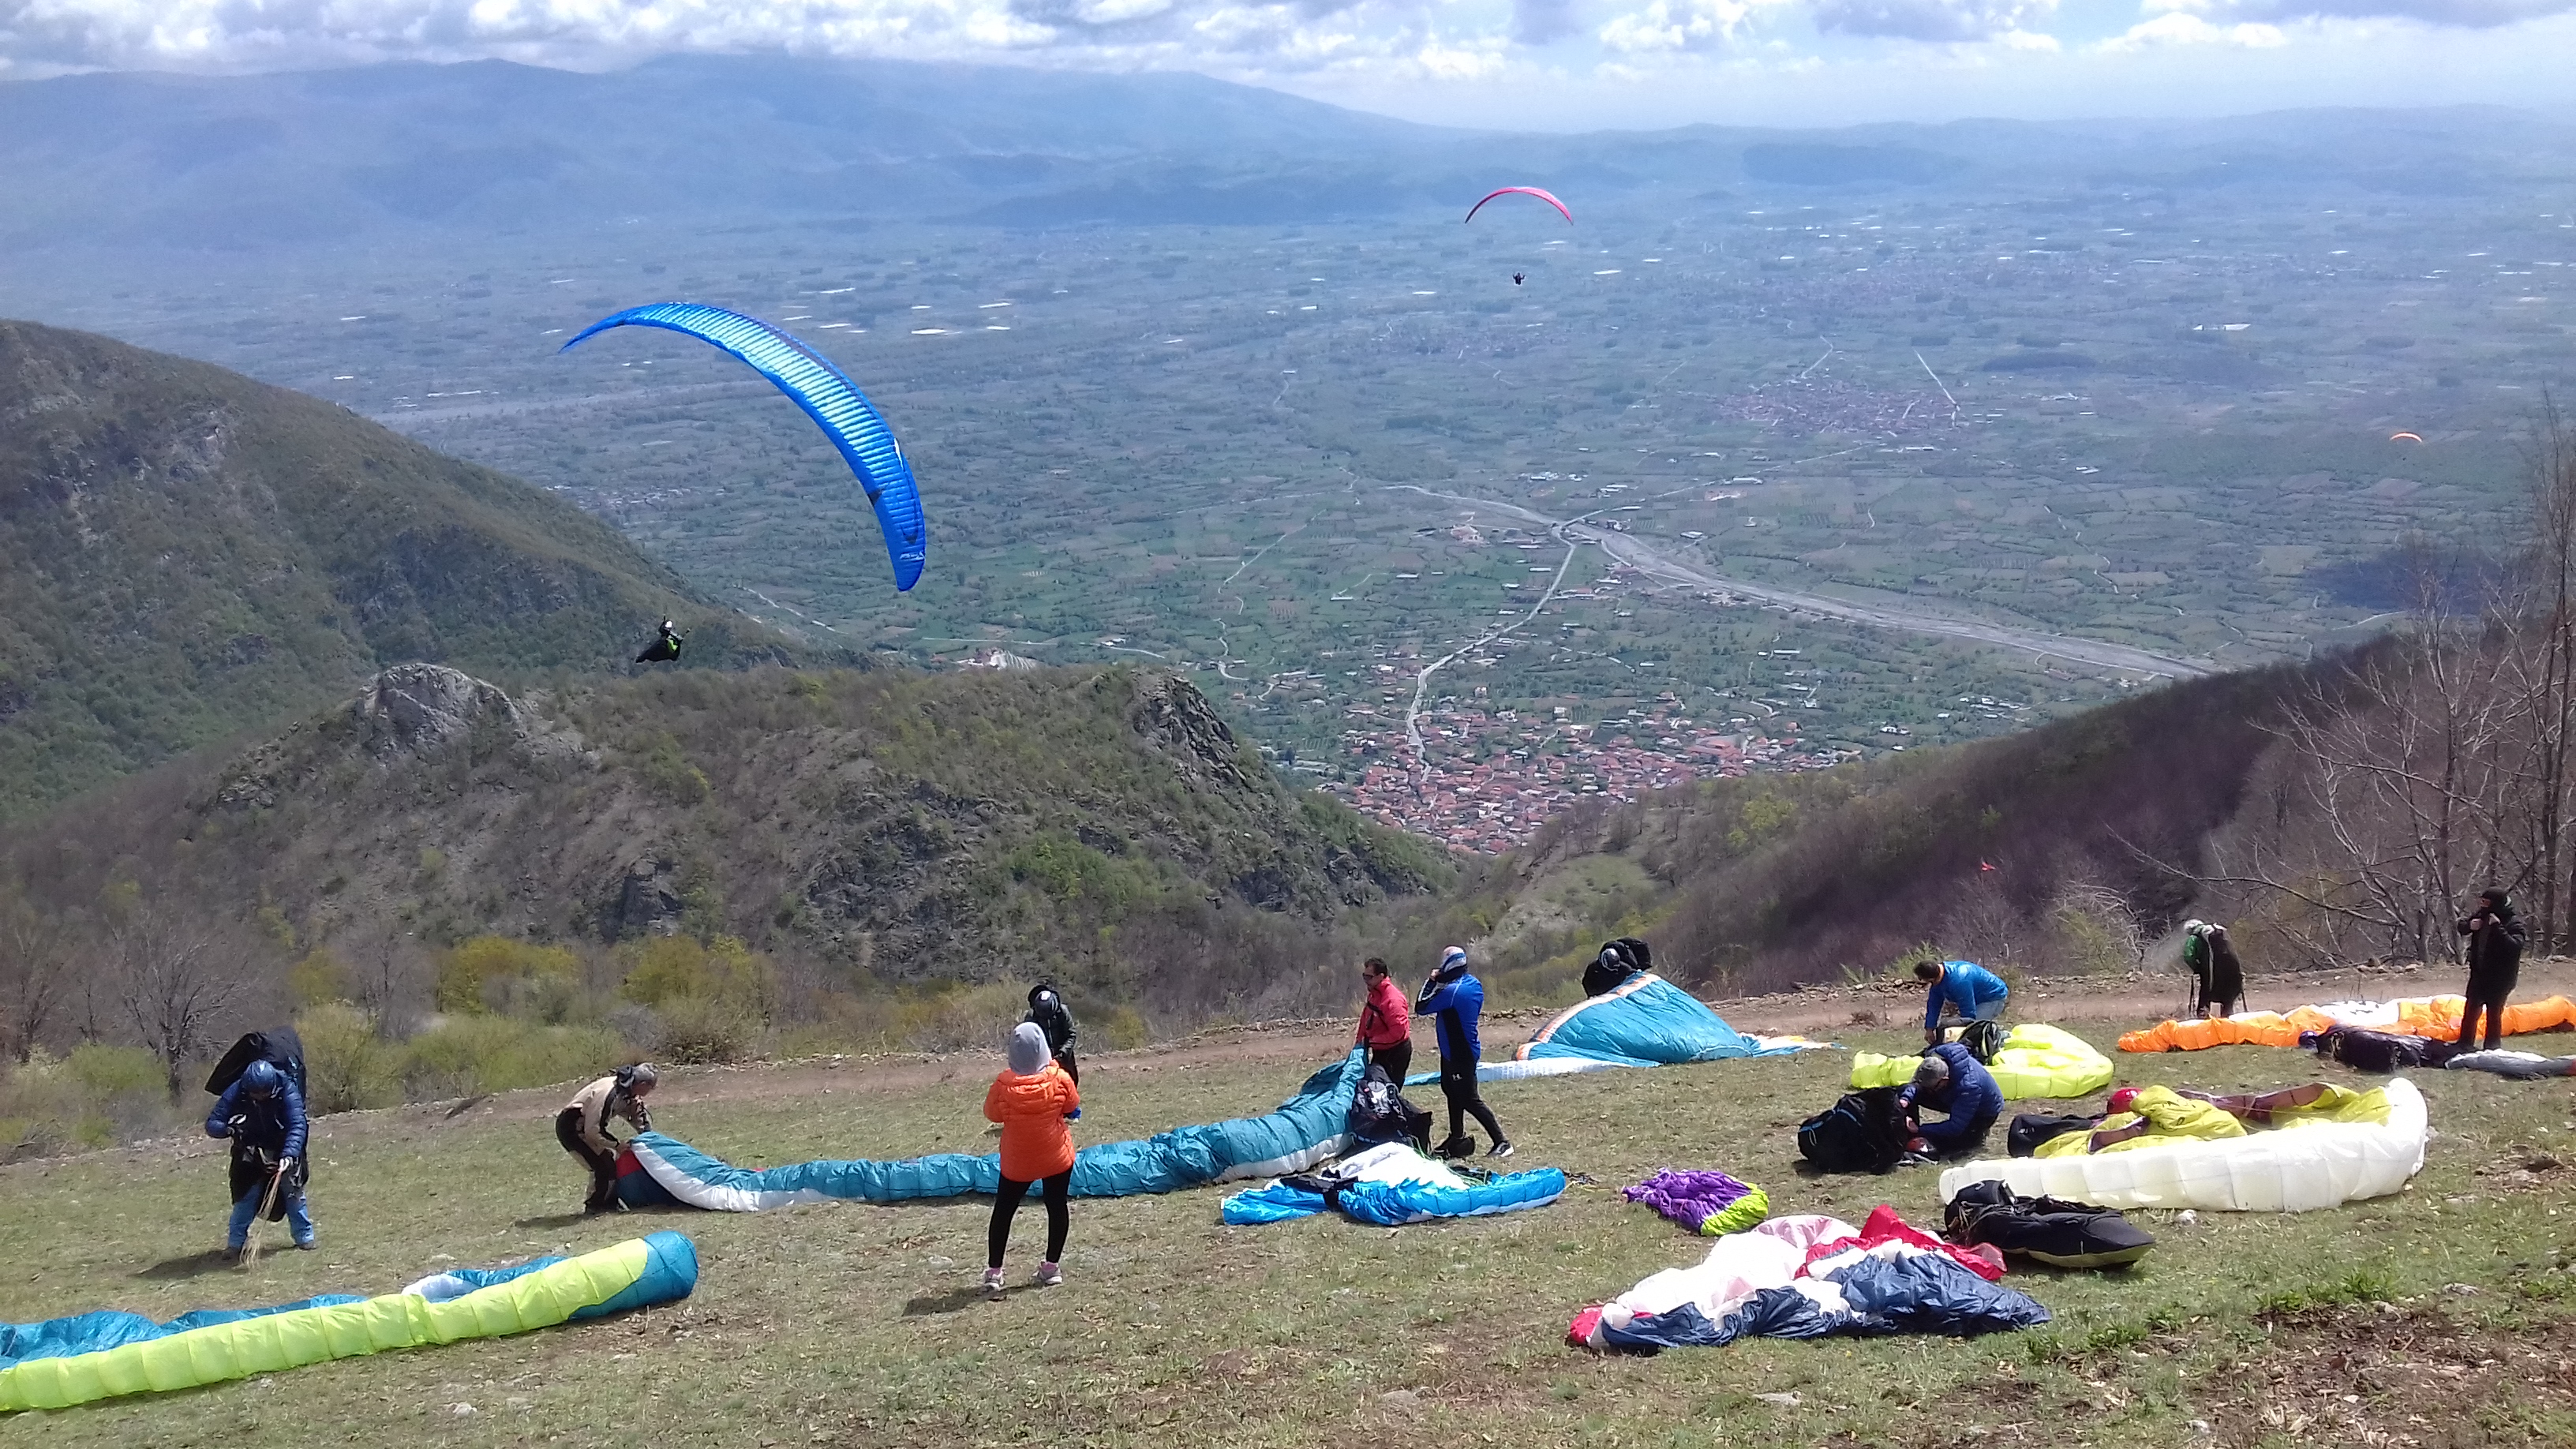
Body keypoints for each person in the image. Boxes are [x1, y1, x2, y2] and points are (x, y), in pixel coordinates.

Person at [984, 1022, 1079, 1296]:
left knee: (1004, 1211)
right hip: (1055, 1155)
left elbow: (992, 1114)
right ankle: (1051, 1268)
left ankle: (994, 1272)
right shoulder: (1059, 1078)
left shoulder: (1003, 1084)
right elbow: (1072, 1105)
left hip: (1018, 1160)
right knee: (1056, 1206)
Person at [204, 1058, 313, 1258]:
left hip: (282, 1148)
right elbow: (213, 1123)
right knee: (245, 1197)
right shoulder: (237, 1090)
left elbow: (297, 1124)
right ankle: (235, 1243)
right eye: (255, 1093)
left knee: (293, 1192)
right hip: (250, 1151)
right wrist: (229, 1129)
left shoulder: (287, 1089)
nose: (260, 1097)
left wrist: (289, 1154)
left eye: (264, 1092)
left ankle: (304, 1237)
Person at [1417, 945, 1511, 1159]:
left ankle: (1502, 1142)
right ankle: (1457, 1138)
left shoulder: (1453, 992)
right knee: (1451, 1090)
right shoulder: (1472, 984)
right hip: (1452, 1050)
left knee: (1469, 1098)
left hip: (1461, 1052)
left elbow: (1421, 1006)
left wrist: (1432, 981)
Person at [559, 1064, 658, 1215]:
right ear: (643, 1084)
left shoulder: (629, 1090)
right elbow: (593, 1130)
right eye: (652, 1087)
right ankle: (595, 1206)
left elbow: (637, 1115)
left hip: (587, 1127)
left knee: (608, 1163)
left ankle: (609, 1203)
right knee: (601, 1165)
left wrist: (648, 1136)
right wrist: (617, 1145)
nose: (651, 1091)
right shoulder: (609, 1093)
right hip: (572, 1128)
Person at [1895, 1043, 2002, 1159]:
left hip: (1982, 1112)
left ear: (1944, 1081)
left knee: (1955, 1146)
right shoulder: (1935, 1056)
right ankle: (1906, 1133)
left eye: (1930, 1088)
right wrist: (1906, 1098)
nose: (1926, 1091)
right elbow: (1917, 1084)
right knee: (1902, 1091)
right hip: (1951, 1094)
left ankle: (1977, 1134)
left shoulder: (1969, 1086)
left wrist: (1920, 1129)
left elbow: (1955, 1127)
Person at [2457, 886, 2525, 1051]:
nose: (2483, 906)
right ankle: (2464, 1044)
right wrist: (2469, 926)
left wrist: (2497, 927)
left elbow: (2515, 947)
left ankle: (2492, 1048)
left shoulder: (2513, 922)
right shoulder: (2482, 915)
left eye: (2486, 903)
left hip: (2501, 978)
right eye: (2482, 902)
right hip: (2479, 974)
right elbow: (2462, 926)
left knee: (2494, 1014)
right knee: (2471, 1010)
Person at [1916, 958, 2009, 1046]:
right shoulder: (1938, 980)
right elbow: (1934, 1005)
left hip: (1993, 997)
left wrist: (1964, 1032)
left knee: (1974, 1031)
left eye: (1928, 981)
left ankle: (2006, 1038)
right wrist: (1929, 1029)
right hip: (1978, 999)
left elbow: (1968, 1013)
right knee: (1967, 1033)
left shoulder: (1959, 980)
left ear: (1933, 979)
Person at [1355, 957, 1413, 1085]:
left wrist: (1371, 1041)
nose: (1366, 981)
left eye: (1369, 977)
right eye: (1364, 976)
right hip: (1380, 1050)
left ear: (1381, 976)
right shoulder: (1374, 994)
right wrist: (1360, 1042)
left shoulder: (1393, 1000)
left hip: (1395, 1053)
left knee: (1387, 1092)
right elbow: (1366, 1018)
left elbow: (1397, 1033)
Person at [1024, 982, 1080, 1087]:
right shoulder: (1032, 1016)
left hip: (1064, 1056)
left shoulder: (1063, 1012)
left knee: (1070, 1083)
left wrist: (1063, 1052)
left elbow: (1071, 1034)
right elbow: (1028, 1039)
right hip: (1043, 1060)